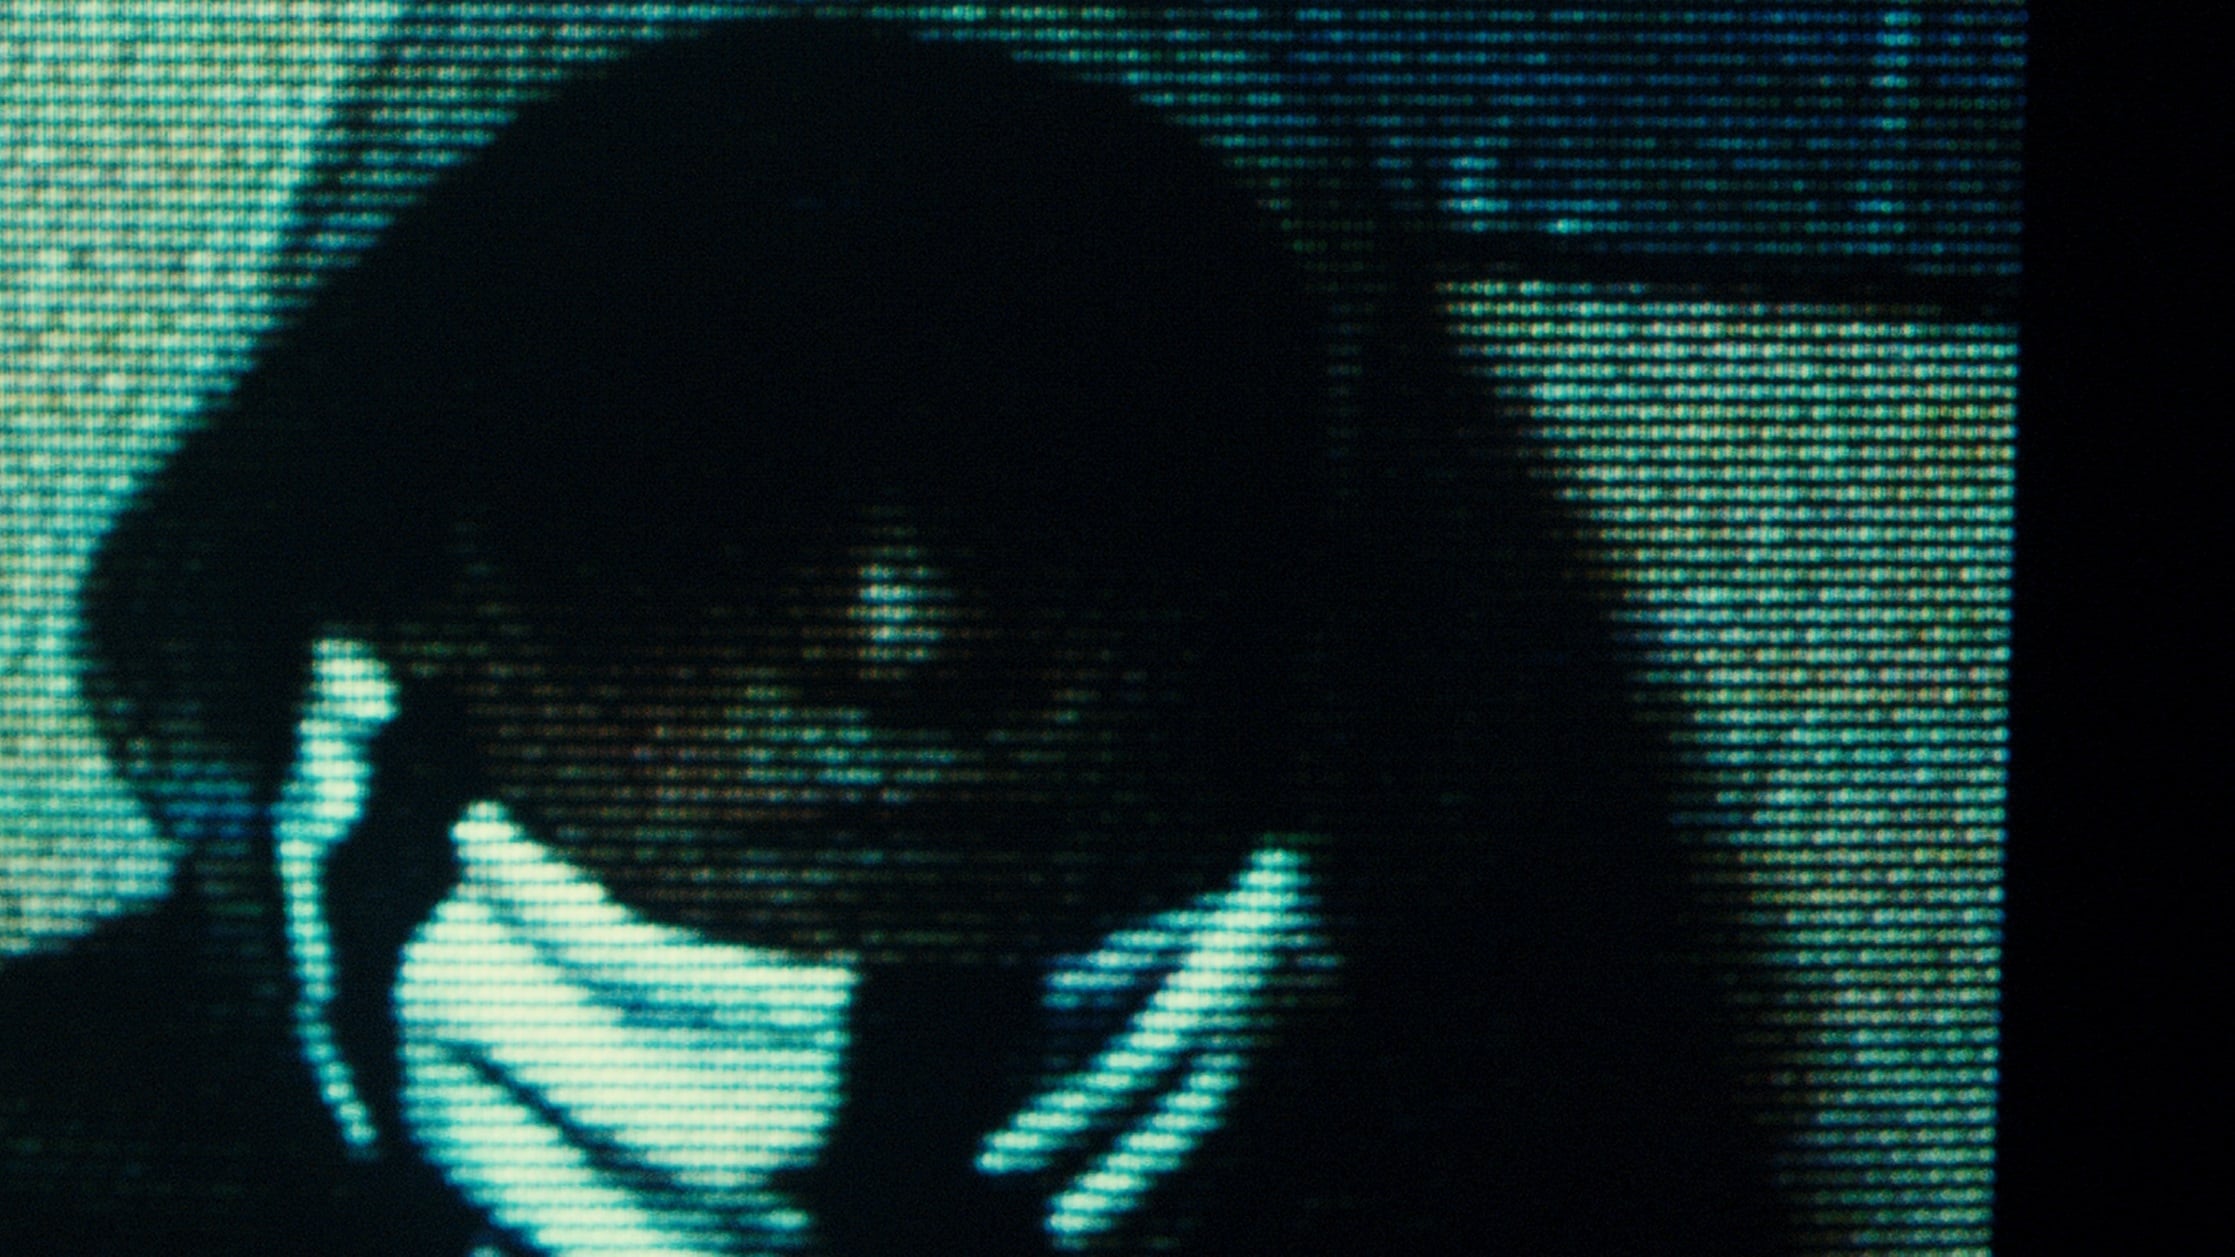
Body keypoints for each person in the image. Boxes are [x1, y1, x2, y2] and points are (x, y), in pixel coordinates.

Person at [0, 20, 1776, 1256]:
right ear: (393, 552)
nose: (906, 635)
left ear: (1281, 559)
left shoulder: (1523, 1188)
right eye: (706, 473)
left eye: (1065, 465)